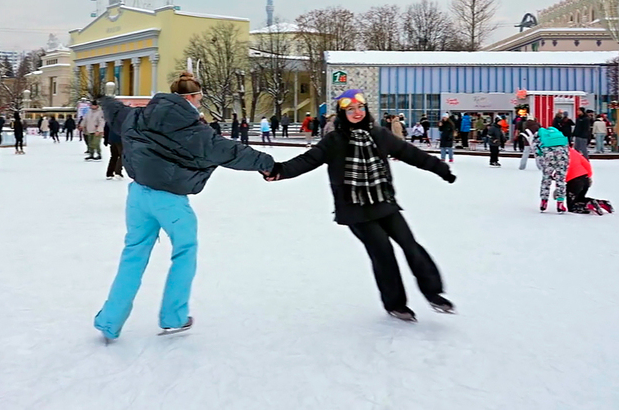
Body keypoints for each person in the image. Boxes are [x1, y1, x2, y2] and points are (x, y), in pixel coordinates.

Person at [94, 72, 275, 342]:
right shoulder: (193, 130)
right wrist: (268, 163)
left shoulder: (138, 115)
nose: (200, 104)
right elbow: (229, 151)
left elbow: (115, 110)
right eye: (200, 99)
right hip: (170, 199)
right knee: (185, 250)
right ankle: (174, 316)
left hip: (138, 195)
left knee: (133, 254)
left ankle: (109, 320)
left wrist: (103, 99)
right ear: (190, 97)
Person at [264, 89, 457, 321]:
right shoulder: (334, 140)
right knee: (383, 252)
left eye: (360, 108)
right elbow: (307, 160)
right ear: (342, 113)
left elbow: (411, 153)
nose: (357, 113)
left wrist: (441, 168)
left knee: (410, 244)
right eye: (350, 109)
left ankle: (433, 293)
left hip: (383, 201)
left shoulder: (379, 134)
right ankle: (395, 304)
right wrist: (279, 171)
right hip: (354, 209)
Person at [530, 126, 569, 213]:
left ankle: (544, 201)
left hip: (547, 155)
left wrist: (541, 161)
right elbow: (567, 146)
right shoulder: (558, 134)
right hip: (562, 155)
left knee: (546, 179)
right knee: (561, 180)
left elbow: (536, 149)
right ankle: (560, 203)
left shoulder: (539, 135)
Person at [565, 148, 614, 215]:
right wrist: (588, 176)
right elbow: (586, 164)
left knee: (572, 206)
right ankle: (601, 203)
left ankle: (587, 205)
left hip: (573, 181)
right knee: (579, 199)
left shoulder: (558, 154)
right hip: (585, 178)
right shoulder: (573, 151)